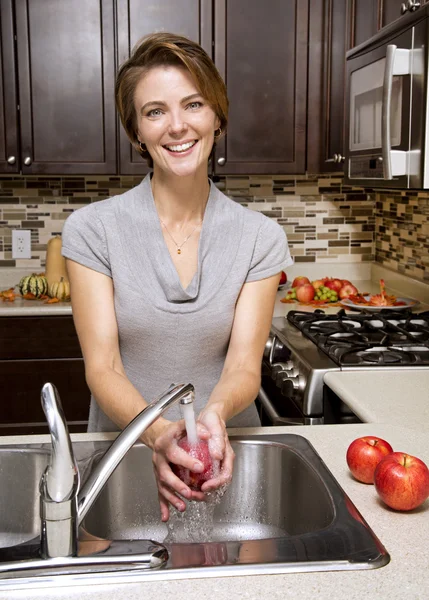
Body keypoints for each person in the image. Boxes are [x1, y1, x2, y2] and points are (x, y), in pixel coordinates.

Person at [61, 32, 293, 522]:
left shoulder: (260, 237)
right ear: (135, 132)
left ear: (217, 117)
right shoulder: (92, 231)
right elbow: (103, 367)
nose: (178, 126)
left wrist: (213, 416)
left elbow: (243, 369)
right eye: (155, 112)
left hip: (223, 455)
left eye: (193, 104)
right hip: (122, 454)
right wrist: (158, 432)